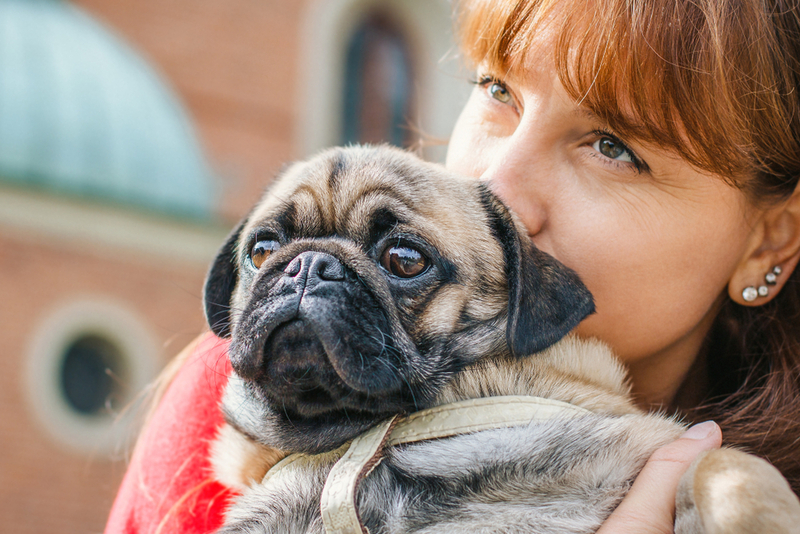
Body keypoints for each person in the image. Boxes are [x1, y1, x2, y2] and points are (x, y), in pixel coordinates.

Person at [105, 0, 800, 532]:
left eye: (613, 146)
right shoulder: (253, 391)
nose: (498, 185)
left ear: (771, 241)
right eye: (498, 90)